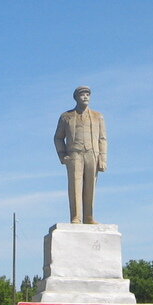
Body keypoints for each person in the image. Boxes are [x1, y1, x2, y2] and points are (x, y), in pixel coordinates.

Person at [54, 86, 107, 224]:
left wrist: (103, 159)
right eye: (82, 95)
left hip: (92, 154)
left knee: (91, 186)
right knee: (75, 186)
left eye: (88, 95)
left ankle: (89, 217)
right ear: (76, 97)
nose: (85, 97)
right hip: (75, 154)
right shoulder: (66, 116)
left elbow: (102, 139)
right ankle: (76, 217)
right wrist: (62, 154)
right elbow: (58, 137)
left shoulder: (98, 116)